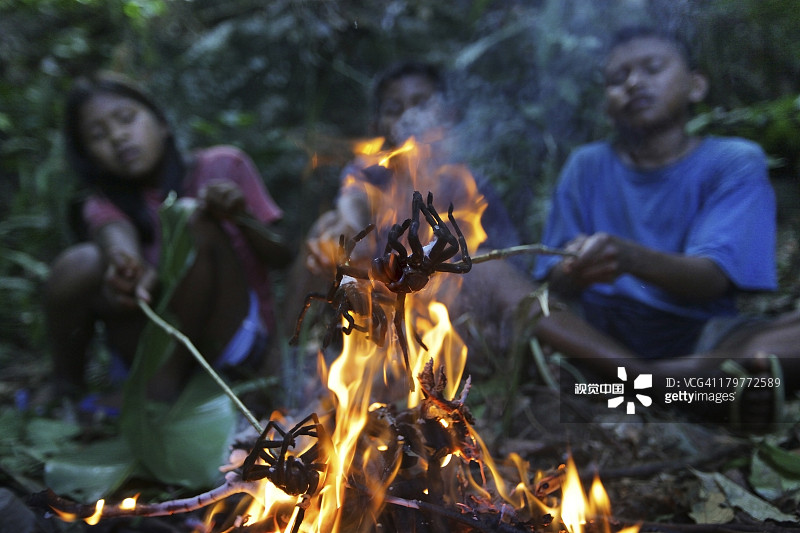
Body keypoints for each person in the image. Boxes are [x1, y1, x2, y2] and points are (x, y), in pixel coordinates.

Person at [532, 26, 798, 427]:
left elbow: (713, 279)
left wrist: (629, 258)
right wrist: (573, 270)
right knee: (491, 276)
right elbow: (552, 283)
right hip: (599, 336)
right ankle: (684, 391)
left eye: (652, 68)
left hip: (700, 339)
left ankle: (633, 387)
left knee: (780, 343)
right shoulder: (586, 165)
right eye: (617, 78)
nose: (634, 82)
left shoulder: (733, 161)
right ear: (607, 103)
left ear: (696, 85)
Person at [43, 72, 292, 406]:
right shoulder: (102, 202)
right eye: (98, 135)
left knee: (192, 219)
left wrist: (241, 216)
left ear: (161, 123)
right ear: (89, 157)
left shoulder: (222, 165)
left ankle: (161, 389)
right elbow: (114, 233)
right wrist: (127, 264)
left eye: (126, 119)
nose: (118, 137)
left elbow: (283, 254)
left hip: (229, 339)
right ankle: (65, 389)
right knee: (78, 264)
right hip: (152, 344)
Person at [290, 61, 532, 379]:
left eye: (422, 103)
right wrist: (346, 229)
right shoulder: (369, 174)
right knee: (323, 232)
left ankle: (610, 366)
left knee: (493, 270)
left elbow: (505, 267)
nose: (409, 116)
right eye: (394, 108)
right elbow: (353, 204)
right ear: (378, 124)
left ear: (448, 114)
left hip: (449, 316)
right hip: (377, 314)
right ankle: (283, 364)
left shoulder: (468, 185)